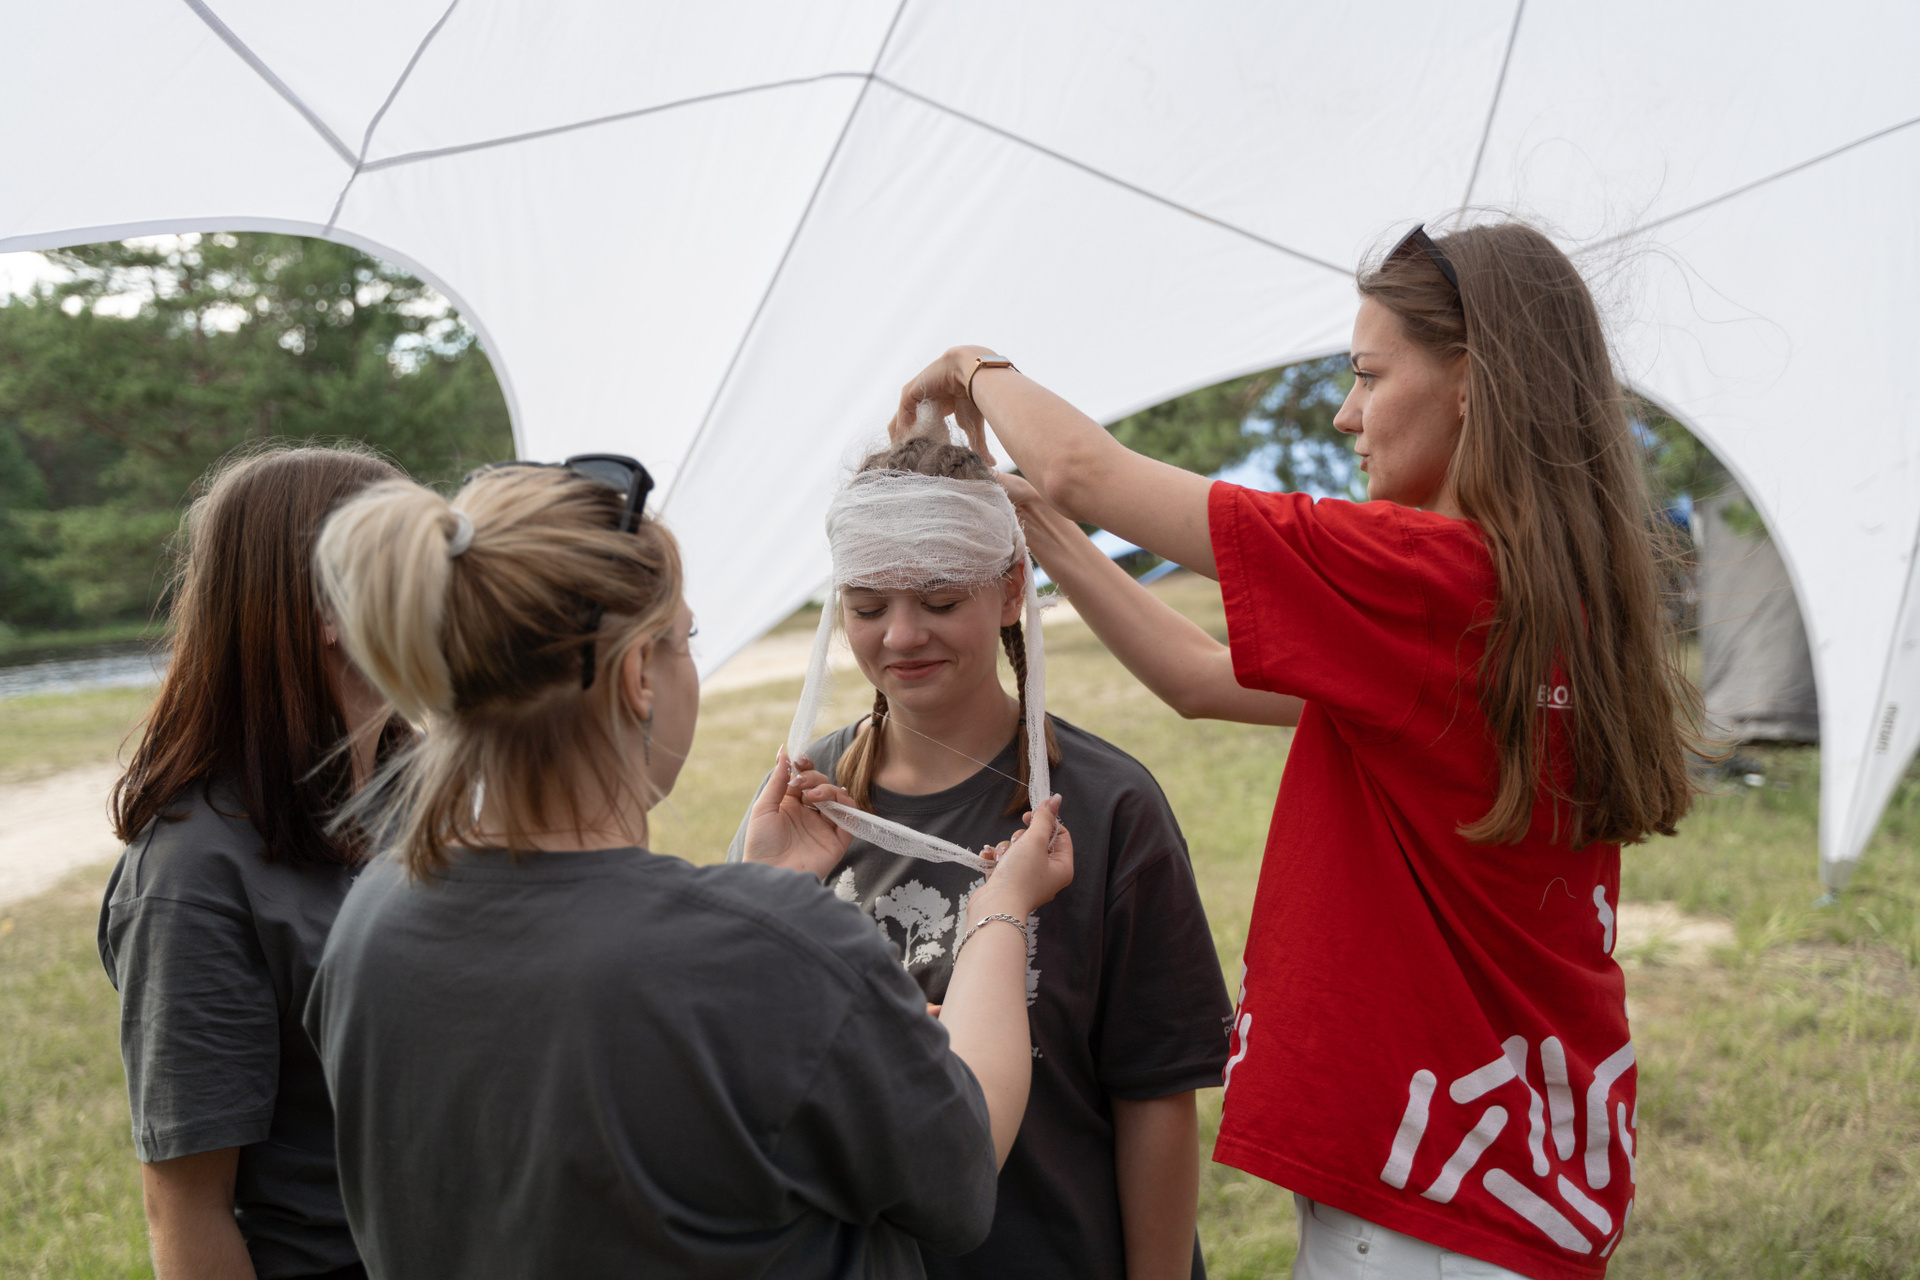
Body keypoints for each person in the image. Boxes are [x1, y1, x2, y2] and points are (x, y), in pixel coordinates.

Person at [892, 221, 1702, 1279]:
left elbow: (1084, 467)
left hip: (1423, 1209)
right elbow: (1197, 677)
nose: (1344, 414)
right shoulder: (1546, 594)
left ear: (1472, 382)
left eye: (1369, 375)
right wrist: (1041, 528)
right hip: (1519, 1178)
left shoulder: (1424, 574)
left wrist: (971, 363)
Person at [303, 455, 1073, 1280]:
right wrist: (1000, 911)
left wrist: (771, 898)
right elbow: (960, 1170)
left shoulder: (373, 920)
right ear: (639, 674)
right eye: (685, 640)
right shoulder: (765, 950)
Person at [729, 430, 1232, 1280]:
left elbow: (1154, 1097)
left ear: (1010, 590)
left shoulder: (1108, 807)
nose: (900, 636)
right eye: (867, 607)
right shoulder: (798, 812)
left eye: (937, 600)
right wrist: (761, 896)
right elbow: (740, 1081)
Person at [99, 443, 406, 1280]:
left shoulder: (423, 798)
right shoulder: (193, 875)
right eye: (419, 564)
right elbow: (186, 1209)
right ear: (329, 608)